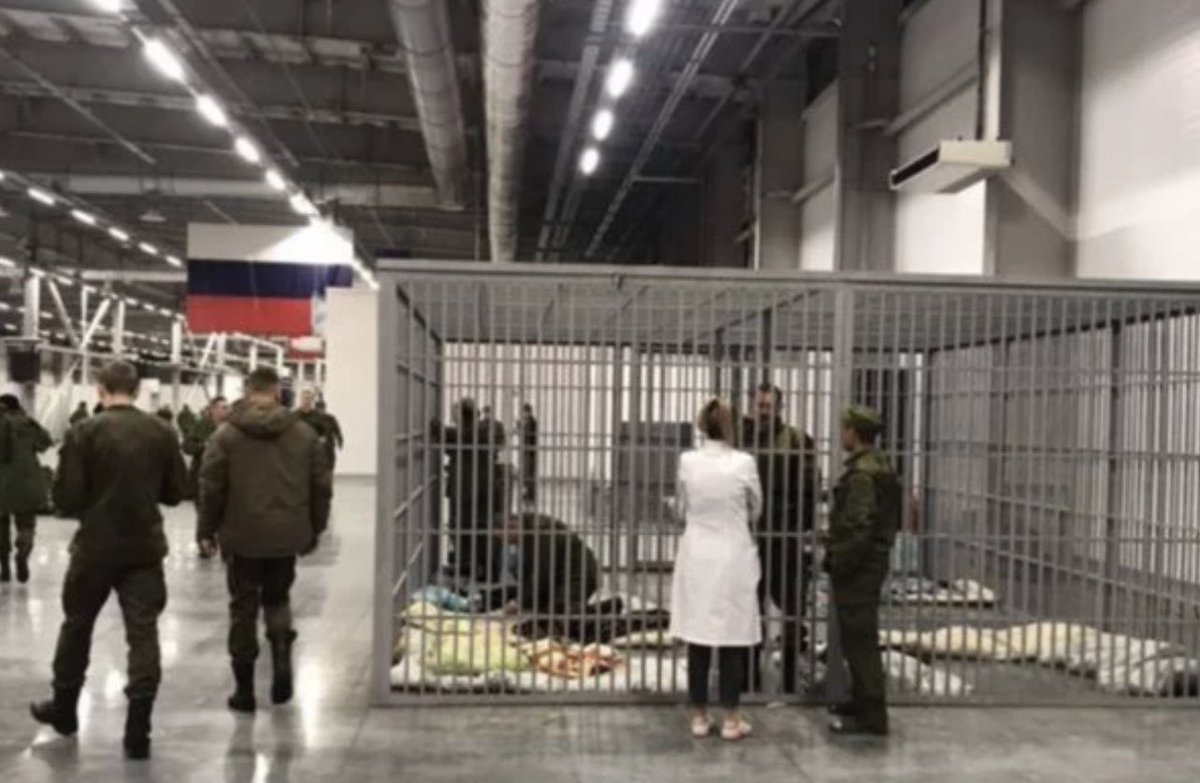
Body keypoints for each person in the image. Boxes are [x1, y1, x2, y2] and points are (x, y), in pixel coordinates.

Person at [30, 362, 187, 760]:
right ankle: (138, 728)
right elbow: (175, 492)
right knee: (143, 634)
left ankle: (64, 711)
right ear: (135, 390)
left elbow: (66, 499)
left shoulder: (84, 432)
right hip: (144, 549)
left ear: (101, 390)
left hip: (95, 548)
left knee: (77, 626)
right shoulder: (163, 432)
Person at [197, 367, 333, 714]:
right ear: (277, 393)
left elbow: (210, 486)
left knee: (243, 607)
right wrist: (315, 528)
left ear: (247, 390)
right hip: (286, 534)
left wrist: (205, 530)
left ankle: (244, 692)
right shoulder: (303, 434)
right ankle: (282, 656)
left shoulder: (226, 435)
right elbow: (321, 486)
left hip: (240, 535)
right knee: (277, 598)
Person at [670, 398, 762, 742]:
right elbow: (756, 508)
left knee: (698, 636)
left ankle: (698, 715)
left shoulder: (687, 461)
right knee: (733, 638)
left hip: (697, 553)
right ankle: (731, 718)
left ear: (700, 425)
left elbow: (681, 508)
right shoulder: (745, 462)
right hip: (734, 554)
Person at [823, 405, 901, 736]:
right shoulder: (881, 466)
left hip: (860, 566)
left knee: (860, 640)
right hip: (871, 562)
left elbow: (859, 527)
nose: (842, 435)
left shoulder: (862, 476)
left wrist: (838, 561)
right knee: (859, 637)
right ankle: (861, 699)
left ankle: (872, 715)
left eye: (845, 429)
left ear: (855, 433)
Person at [741, 383, 820, 695]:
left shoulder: (798, 440)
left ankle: (789, 680)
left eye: (769, 406)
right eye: (759, 405)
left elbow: (810, 489)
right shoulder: (739, 440)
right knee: (748, 609)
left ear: (780, 407)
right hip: (749, 537)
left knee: (792, 611)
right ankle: (749, 677)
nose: (763, 411)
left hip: (785, 536)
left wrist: (801, 530)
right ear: (751, 405)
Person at [431, 399, 502, 581]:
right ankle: (471, 566)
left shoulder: (472, 433)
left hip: (469, 490)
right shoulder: (477, 432)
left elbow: (446, 435)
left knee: (465, 527)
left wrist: (432, 422)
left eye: (455, 411)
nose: (452, 415)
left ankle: (472, 567)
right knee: (469, 528)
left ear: (464, 414)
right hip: (473, 489)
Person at [0, 394, 52, 583]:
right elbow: (46, 443)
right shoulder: (28, 423)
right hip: (26, 483)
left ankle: (4, 566)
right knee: (26, 524)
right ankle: (23, 551)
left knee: (1, 526)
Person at [183, 396, 229, 503]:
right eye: (224, 407)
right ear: (213, 409)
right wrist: (204, 445)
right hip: (202, 478)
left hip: (224, 480)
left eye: (227, 407)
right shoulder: (202, 425)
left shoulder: (231, 426)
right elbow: (187, 446)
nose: (227, 410)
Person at [315, 400, 344, 469]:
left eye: (322, 408)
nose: (320, 410)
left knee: (330, 464)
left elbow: (337, 431)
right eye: (318, 409)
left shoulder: (331, 419)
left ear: (325, 409)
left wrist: (340, 441)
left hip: (329, 446)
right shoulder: (313, 419)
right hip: (316, 448)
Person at [519, 404, 538, 504]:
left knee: (528, 474)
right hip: (528, 451)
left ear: (528, 412)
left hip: (529, 452)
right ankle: (528, 495)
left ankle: (529, 496)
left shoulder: (531, 422)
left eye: (524, 412)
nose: (523, 414)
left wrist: (520, 428)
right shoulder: (530, 422)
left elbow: (527, 435)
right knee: (527, 474)